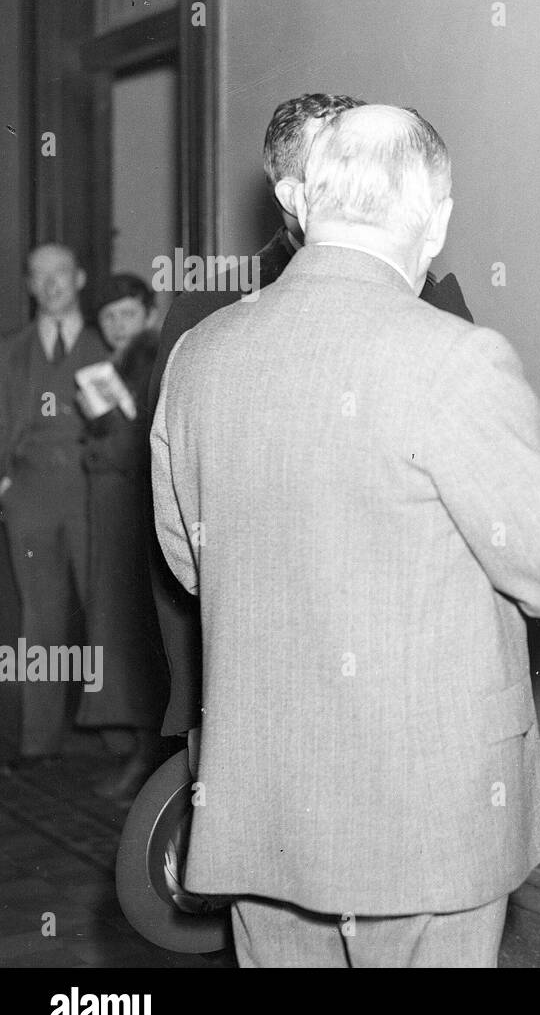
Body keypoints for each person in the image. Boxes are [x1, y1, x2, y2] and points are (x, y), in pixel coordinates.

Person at [151, 104, 540, 967]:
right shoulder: (454, 359)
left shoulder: (199, 356)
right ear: (434, 218)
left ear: (306, 201)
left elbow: (188, 560)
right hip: (424, 818)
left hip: (261, 805)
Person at [146, 92, 474, 745]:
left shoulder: (429, 293)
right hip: (257, 680)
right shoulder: (210, 309)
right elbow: (179, 525)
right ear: (294, 196)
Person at [0, 244, 109, 772]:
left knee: (105, 609)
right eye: (39, 275)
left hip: (93, 490)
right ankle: (39, 741)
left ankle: (121, 740)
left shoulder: (107, 344)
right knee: (39, 619)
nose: (50, 284)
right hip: (30, 491)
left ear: (80, 277)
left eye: (60, 273)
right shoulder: (11, 351)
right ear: (28, 284)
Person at [75, 273, 168, 802]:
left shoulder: (151, 360)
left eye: (127, 314)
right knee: (120, 627)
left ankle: (147, 759)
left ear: (149, 315)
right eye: (108, 317)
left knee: (135, 629)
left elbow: (129, 446)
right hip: (116, 510)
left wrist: (101, 435)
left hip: (136, 509)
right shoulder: (113, 366)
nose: (116, 326)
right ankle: (140, 750)